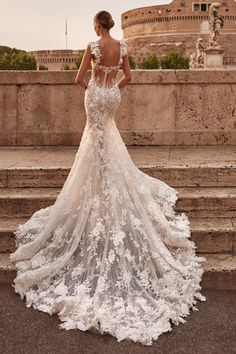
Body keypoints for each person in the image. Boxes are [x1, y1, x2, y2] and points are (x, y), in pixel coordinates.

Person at [10, 10, 206, 346]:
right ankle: (108, 186)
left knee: (96, 145)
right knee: (108, 145)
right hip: (113, 96)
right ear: (111, 25)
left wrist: (95, 88)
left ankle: (97, 190)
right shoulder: (122, 47)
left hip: (96, 97)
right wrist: (110, 86)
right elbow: (128, 77)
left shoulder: (93, 45)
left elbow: (78, 79)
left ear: (96, 26)